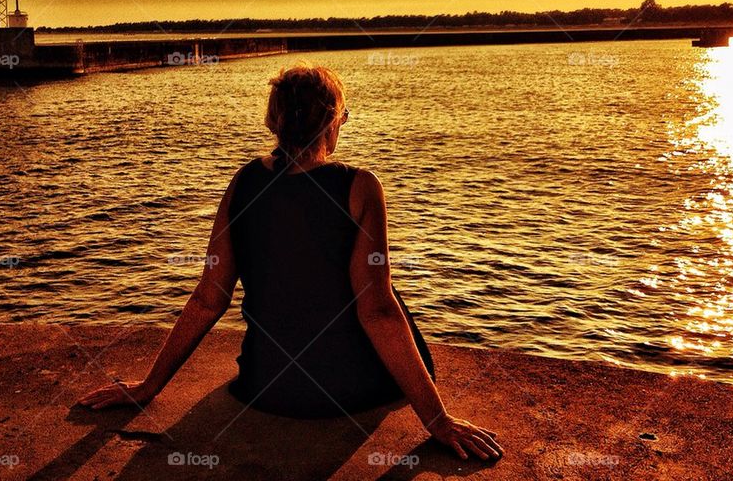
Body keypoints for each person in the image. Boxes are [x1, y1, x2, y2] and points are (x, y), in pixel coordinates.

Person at [80, 63, 503, 461]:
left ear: (273, 122)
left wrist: (150, 386)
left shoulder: (245, 181)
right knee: (383, 293)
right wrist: (437, 420)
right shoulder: (359, 186)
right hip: (345, 391)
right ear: (333, 121)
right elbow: (376, 311)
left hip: (265, 386)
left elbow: (211, 297)